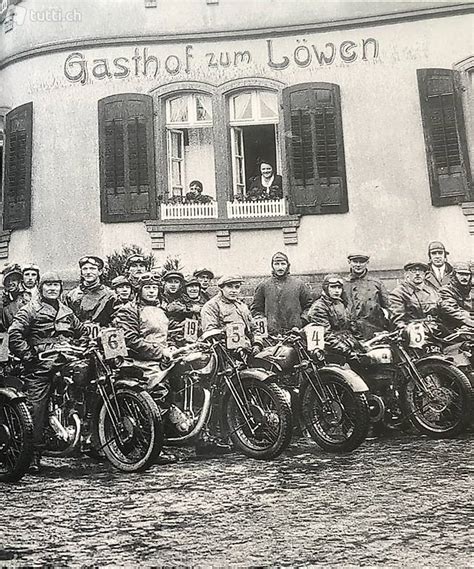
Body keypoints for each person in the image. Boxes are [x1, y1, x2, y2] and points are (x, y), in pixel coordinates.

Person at [114, 273, 229, 456]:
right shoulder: (128, 310)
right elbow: (130, 340)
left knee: (193, 382)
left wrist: (178, 344)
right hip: (140, 361)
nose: (151, 291)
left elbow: (172, 331)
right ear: (139, 290)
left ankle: (201, 437)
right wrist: (161, 352)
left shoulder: (160, 310)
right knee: (158, 394)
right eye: (147, 288)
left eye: (154, 288)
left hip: (163, 358)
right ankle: (150, 447)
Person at [9, 272, 86, 472]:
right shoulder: (30, 310)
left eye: (56, 285)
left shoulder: (67, 311)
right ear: (41, 288)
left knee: (87, 384)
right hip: (40, 365)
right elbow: (15, 335)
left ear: (61, 288)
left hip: (66, 359)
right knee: (36, 406)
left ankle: (90, 438)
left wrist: (86, 343)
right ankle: (33, 453)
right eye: (48, 285)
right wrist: (29, 355)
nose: (52, 288)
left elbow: (82, 332)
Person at [251, 252, 313, 334]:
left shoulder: (299, 285)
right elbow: (256, 309)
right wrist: (264, 324)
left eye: (283, 264)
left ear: (288, 265)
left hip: (295, 333)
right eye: (276, 264)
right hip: (271, 334)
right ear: (272, 266)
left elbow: (309, 307)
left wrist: (301, 322)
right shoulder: (264, 286)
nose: (280, 267)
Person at [307, 274, 361, 357]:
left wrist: (361, 343)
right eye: (333, 287)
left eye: (339, 287)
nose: (337, 291)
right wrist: (349, 353)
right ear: (326, 288)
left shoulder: (341, 303)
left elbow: (351, 326)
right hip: (332, 351)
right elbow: (326, 336)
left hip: (347, 344)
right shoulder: (319, 307)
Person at [201, 275, 260, 348]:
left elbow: (254, 329)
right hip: (224, 351)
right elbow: (210, 333)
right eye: (229, 286)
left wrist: (257, 344)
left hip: (247, 349)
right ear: (221, 288)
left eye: (237, 287)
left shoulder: (242, 306)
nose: (234, 290)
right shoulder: (211, 306)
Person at [344, 254, 390, 340]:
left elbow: (389, 307)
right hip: (350, 333)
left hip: (374, 331)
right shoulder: (343, 284)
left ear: (367, 263)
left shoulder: (376, 283)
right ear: (349, 262)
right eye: (355, 261)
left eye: (361, 262)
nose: (358, 265)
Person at [65, 256, 115, 327]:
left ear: (100, 272)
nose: (88, 272)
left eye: (92, 269)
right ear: (81, 273)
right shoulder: (71, 295)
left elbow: (117, 321)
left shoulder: (110, 295)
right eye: (85, 269)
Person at [388, 262, 439, 329]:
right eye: (413, 271)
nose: (417, 273)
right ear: (407, 274)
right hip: (413, 332)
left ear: (424, 274)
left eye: (420, 270)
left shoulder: (432, 291)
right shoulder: (398, 293)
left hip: (435, 330)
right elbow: (397, 320)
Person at [438, 262, 474, 330]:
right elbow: (451, 309)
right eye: (461, 274)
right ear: (454, 275)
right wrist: (469, 321)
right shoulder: (445, 291)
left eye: (467, 274)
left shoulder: (470, 291)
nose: (464, 277)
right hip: (450, 329)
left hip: (467, 327)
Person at [160, 270, 190, 343]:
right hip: (163, 334)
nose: (173, 285)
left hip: (183, 335)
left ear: (180, 284)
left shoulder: (185, 298)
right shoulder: (159, 297)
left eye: (176, 282)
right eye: (170, 282)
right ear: (165, 283)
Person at [1, 264, 30, 331]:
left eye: (14, 280)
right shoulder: (4, 301)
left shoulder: (27, 298)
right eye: (7, 281)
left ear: (19, 281)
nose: (10, 283)